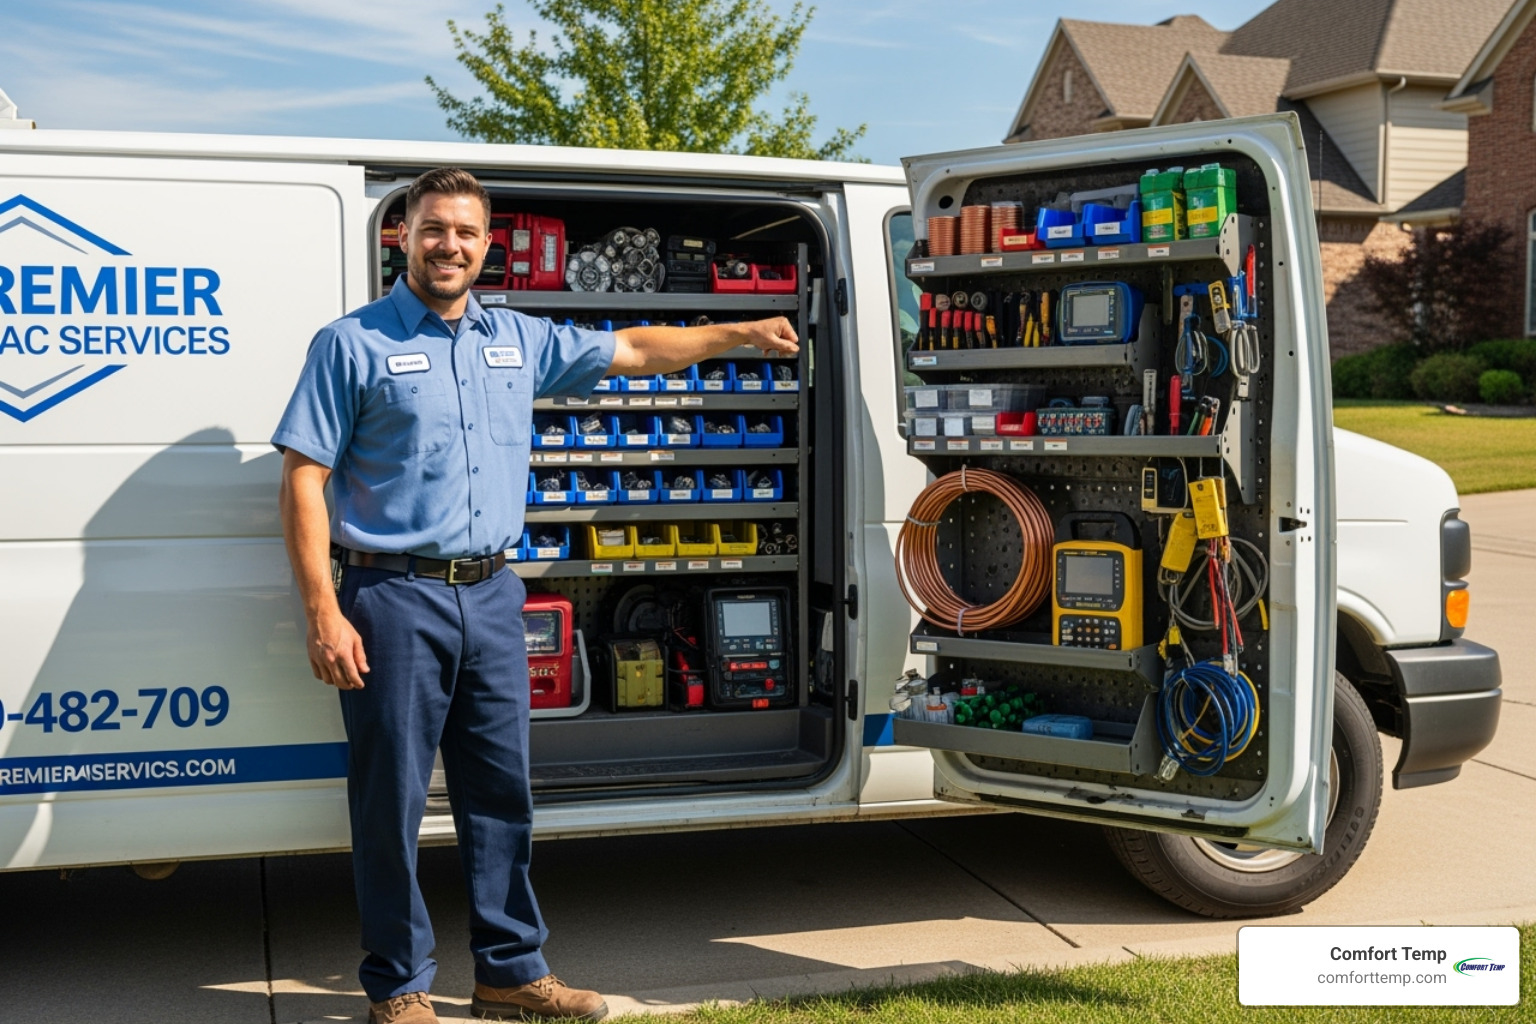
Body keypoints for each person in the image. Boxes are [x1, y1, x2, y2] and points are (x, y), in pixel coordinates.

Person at [273, 167, 798, 1024]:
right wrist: (323, 610)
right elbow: (303, 480)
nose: (449, 245)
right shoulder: (352, 343)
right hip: (391, 598)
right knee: (390, 800)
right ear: (401, 238)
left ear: (488, 245)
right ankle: (400, 987)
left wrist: (734, 331)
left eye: (466, 232)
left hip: (491, 595)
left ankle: (509, 972)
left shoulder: (515, 337)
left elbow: (632, 350)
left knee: (501, 796)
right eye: (433, 229)